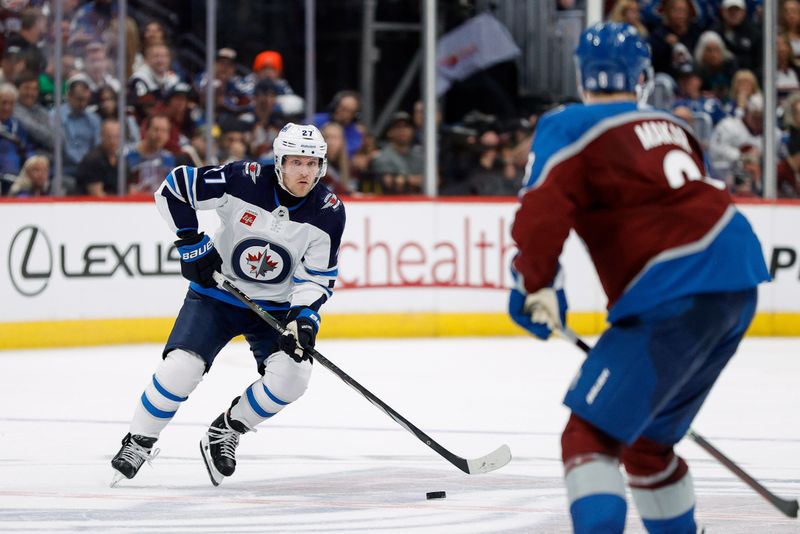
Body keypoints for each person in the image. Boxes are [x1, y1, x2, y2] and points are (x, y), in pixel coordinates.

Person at [508, 23, 769, 534]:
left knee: (587, 439)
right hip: (739, 279)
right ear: (643, 75)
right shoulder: (676, 125)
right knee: (647, 445)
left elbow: (540, 213)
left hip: (675, 289)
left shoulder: (571, 123)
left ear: (582, 73)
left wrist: (535, 283)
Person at [110, 123, 345, 488]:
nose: (305, 171)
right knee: (181, 368)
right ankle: (139, 441)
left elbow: (316, 277)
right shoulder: (242, 179)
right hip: (218, 295)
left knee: (293, 378)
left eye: (312, 163)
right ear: (279, 161)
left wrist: (304, 319)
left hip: (277, 308)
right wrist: (190, 242)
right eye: (296, 162)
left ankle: (227, 428)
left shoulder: (328, 211)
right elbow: (173, 188)